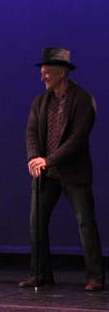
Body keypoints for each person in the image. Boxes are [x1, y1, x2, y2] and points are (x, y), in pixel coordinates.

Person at [19, 47, 104, 292]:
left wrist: (49, 159)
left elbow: (77, 139)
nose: (42, 77)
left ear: (62, 72)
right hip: (46, 173)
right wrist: (34, 158)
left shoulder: (82, 99)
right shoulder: (40, 101)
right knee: (37, 222)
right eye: (42, 72)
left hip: (73, 172)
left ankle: (96, 276)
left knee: (85, 223)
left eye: (46, 72)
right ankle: (40, 274)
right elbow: (32, 132)